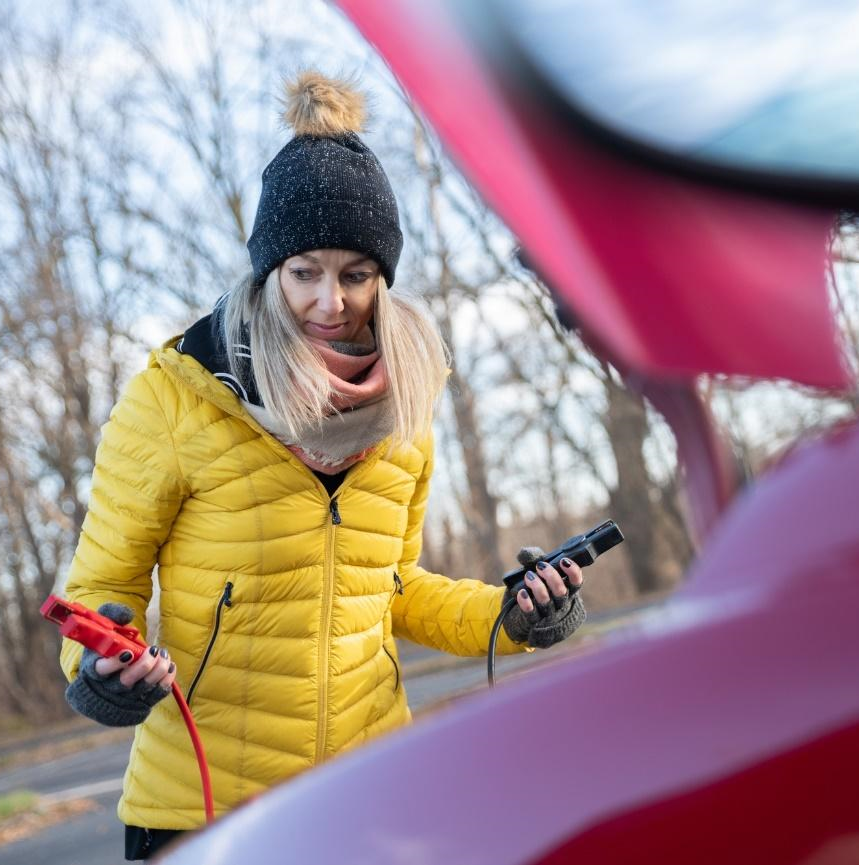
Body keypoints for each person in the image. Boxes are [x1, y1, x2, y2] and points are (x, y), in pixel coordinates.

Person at [57, 70, 587, 861]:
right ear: (270, 272)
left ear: (383, 280)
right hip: (205, 811)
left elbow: (391, 586)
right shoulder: (174, 399)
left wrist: (514, 616)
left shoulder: (406, 408)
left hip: (364, 801)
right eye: (305, 272)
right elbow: (102, 585)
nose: (330, 303)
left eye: (355, 275)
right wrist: (102, 671)